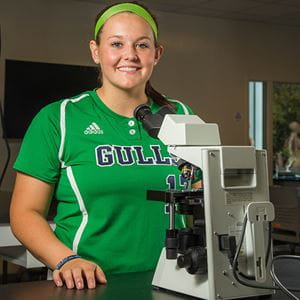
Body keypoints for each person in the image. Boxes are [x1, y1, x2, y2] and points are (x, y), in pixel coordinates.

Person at [10, 1, 201, 290]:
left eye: (142, 45)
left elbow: (204, 196)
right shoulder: (59, 118)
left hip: (178, 281)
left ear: (157, 54)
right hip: (89, 285)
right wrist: (65, 261)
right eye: (116, 44)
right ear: (96, 51)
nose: (130, 55)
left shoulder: (182, 115)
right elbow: (25, 213)